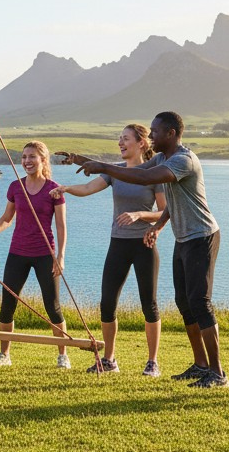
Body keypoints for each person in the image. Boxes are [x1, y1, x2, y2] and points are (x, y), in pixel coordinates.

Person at [67, 112, 228, 389]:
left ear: (171, 133)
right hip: (183, 238)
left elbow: (144, 177)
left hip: (202, 236)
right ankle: (201, 365)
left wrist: (102, 166)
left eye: (155, 131)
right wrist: (159, 226)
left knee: (200, 303)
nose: (151, 135)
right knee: (184, 302)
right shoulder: (163, 158)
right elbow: (141, 175)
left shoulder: (183, 160)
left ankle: (218, 374)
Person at [51, 124, 166, 376]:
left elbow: (163, 211)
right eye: (119, 139)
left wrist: (140, 215)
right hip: (118, 243)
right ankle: (109, 360)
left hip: (144, 244)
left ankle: (152, 362)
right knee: (107, 303)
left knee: (149, 304)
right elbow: (88, 188)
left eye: (125, 139)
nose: (120, 143)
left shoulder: (154, 174)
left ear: (141, 143)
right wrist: (66, 188)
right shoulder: (116, 171)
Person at [0, 141, 71, 369]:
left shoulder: (54, 189)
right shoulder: (15, 187)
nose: (27, 161)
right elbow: (7, 218)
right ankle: (4, 355)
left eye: (32, 157)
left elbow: (61, 226)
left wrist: (60, 257)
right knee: (7, 305)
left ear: (43, 160)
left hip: (44, 254)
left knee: (53, 307)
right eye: (24, 157)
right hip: (17, 252)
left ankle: (63, 356)